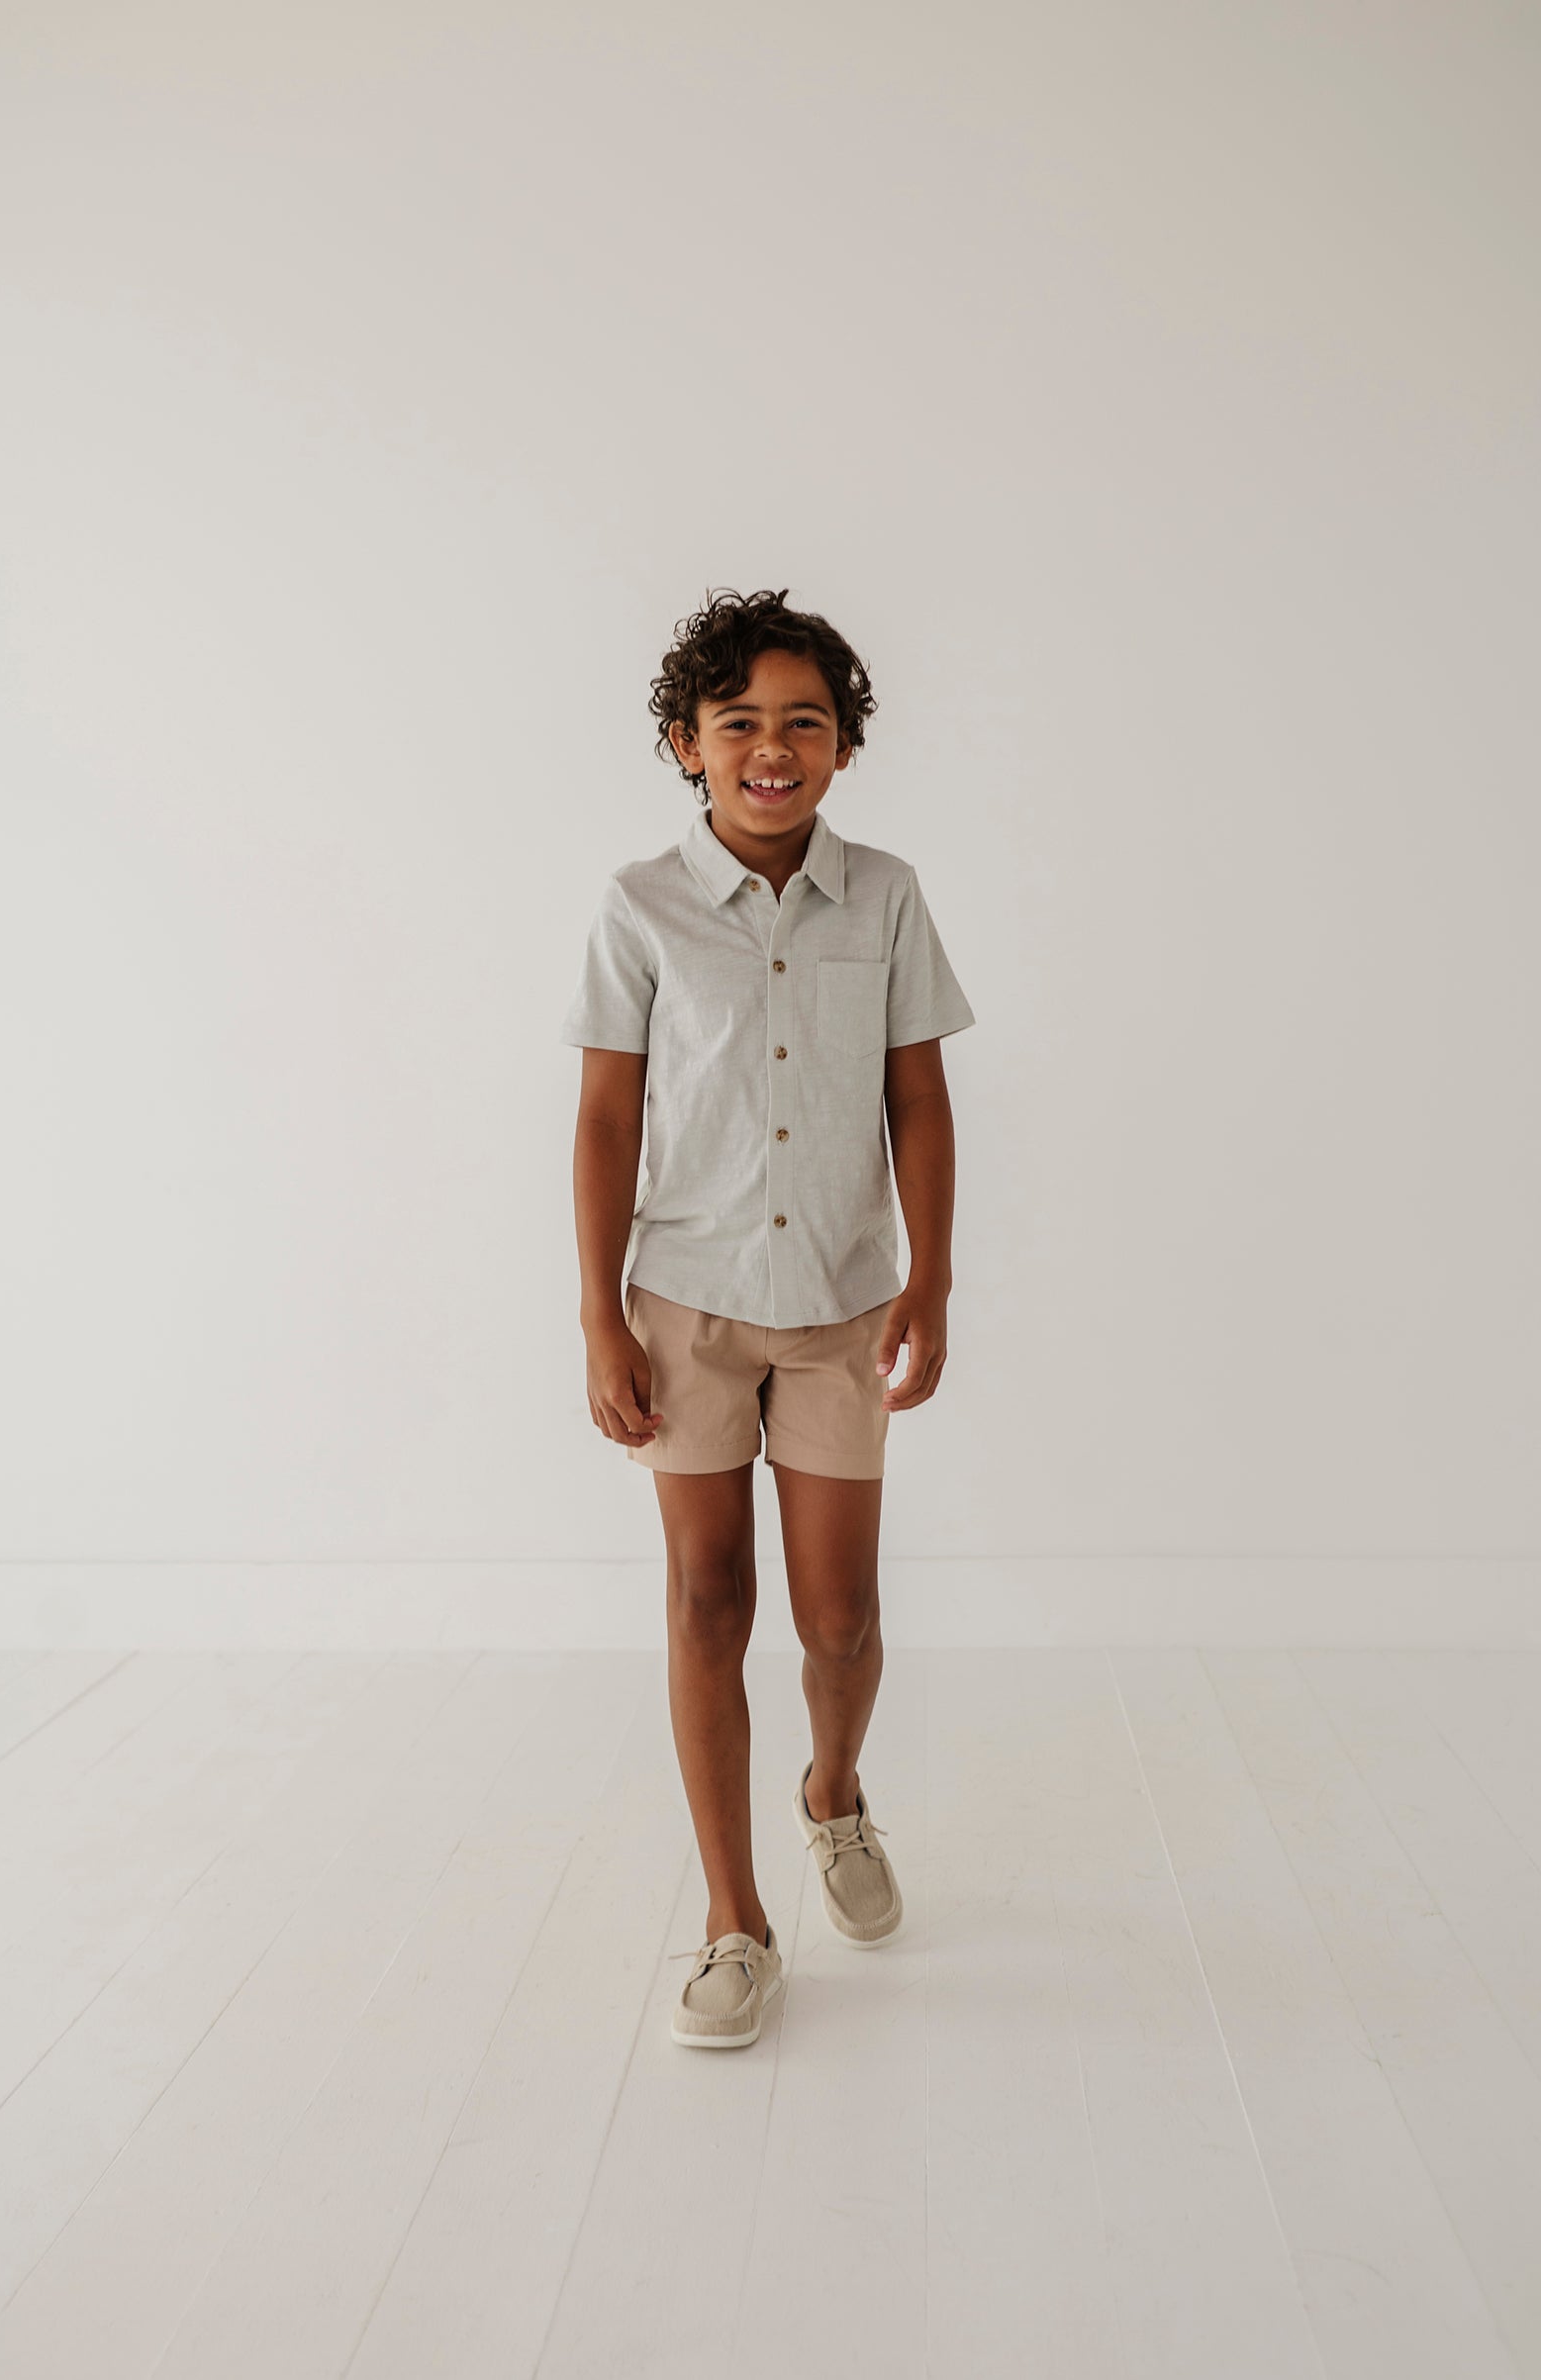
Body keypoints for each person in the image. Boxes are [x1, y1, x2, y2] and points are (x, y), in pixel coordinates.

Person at [559, 586, 975, 2049]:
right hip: (687, 1307)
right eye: (739, 723)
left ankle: (833, 1792)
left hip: (842, 1306)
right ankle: (736, 1918)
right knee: (706, 1597)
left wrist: (931, 1274)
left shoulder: (889, 896)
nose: (773, 749)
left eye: (805, 722)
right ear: (689, 743)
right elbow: (607, 1120)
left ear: (844, 745)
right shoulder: (641, 907)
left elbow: (918, 1094)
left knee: (840, 1617)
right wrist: (601, 1314)